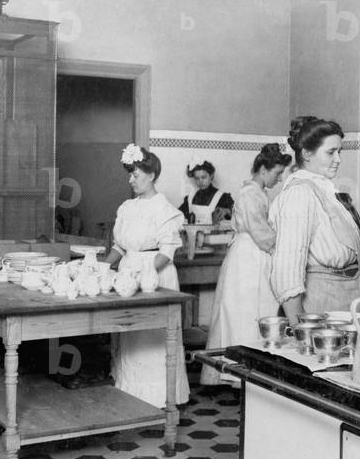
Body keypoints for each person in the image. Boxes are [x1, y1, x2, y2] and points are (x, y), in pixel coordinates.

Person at [105, 144, 190, 407]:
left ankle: (160, 399)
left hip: (156, 274)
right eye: (129, 175)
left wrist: (142, 274)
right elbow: (120, 246)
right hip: (128, 272)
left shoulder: (164, 209)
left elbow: (167, 252)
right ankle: (131, 393)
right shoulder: (126, 207)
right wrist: (103, 267)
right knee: (131, 336)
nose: (131, 180)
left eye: (136, 175)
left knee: (153, 339)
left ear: (151, 175)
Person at [200, 142, 291, 386]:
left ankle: (248, 372)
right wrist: (283, 247)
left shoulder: (256, 192)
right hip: (249, 256)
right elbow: (260, 232)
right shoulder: (250, 193)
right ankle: (239, 374)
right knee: (245, 312)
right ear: (263, 169)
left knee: (254, 310)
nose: (279, 178)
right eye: (276, 173)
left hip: (253, 253)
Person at [270, 116, 360, 325]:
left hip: (350, 295)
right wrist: (300, 329)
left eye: (339, 152)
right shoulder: (299, 194)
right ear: (306, 153)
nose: (338, 160)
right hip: (321, 302)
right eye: (331, 152)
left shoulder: (324, 190)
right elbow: (287, 270)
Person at [179, 160, 233, 225]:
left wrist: (227, 211)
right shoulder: (190, 198)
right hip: (193, 234)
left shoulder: (223, 197)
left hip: (214, 234)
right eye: (197, 178)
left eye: (203, 177)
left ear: (211, 176)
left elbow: (237, 216)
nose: (200, 181)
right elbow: (178, 216)